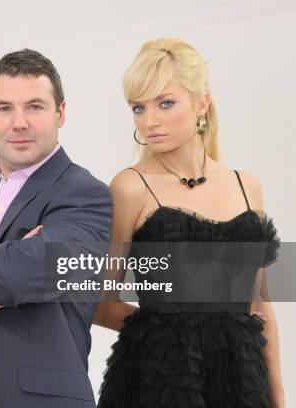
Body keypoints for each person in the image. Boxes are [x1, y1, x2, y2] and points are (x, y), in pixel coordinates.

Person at [94, 38, 285, 407]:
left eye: (165, 103)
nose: (150, 120)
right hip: (158, 382)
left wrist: (279, 398)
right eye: (138, 107)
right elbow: (102, 304)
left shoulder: (247, 187)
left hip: (241, 385)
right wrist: (175, 336)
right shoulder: (131, 186)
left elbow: (260, 309)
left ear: (202, 102)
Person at [0, 49, 113, 408]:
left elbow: (33, 273)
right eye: (4, 108)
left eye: (35, 107)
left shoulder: (85, 193)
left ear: (60, 113)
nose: (19, 122)